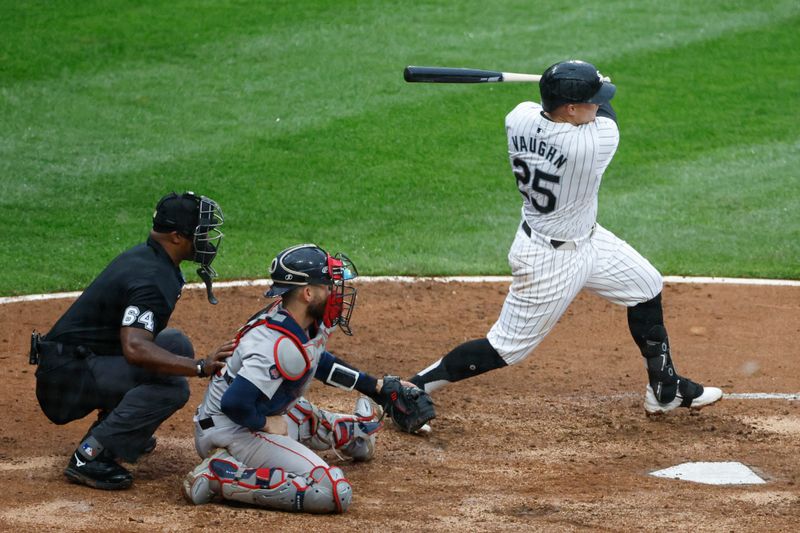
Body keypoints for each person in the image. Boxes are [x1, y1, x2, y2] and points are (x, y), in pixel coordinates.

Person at [408, 60, 722, 421]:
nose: (598, 103)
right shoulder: (592, 144)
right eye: (590, 98)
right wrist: (580, 81)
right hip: (548, 260)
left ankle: (664, 389)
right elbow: (608, 112)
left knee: (645, 283)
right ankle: (410, 387)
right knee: (505, 349)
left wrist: (565, 82)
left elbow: (548, 106)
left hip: (588, 239)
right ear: (571, 109)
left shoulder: (519, 117)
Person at [182, 243, 431, 513]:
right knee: (330, 492)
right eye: (328, 285)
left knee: (325, 424)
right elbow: (235, 403)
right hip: (232, 429)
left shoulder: (301, 320)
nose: (336, 292)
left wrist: (376, 387)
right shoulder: (273, 344)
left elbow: (318, 361)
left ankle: (350, 431)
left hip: (256, 410)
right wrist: (265, 423)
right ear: (308, 293)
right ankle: (221, 474)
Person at [30, 191, 234, 490]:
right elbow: (135, 348)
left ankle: (121, 433)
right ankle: (91, 457)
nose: (206, 241)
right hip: (66, 379)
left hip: (75, 362)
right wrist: (200, 367)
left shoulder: (151, 258)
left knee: (174, 343)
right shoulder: (151, 277)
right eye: (200, 234)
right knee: (173, 389)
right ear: (177, 237)